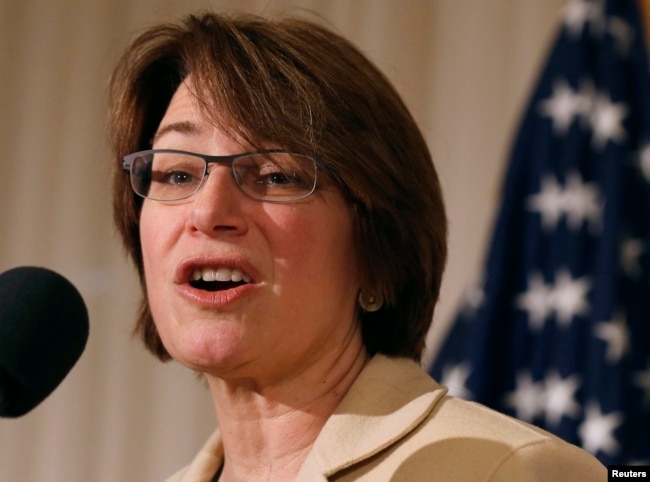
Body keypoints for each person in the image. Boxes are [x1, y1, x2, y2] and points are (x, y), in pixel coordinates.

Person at [108, 11, 606, 482]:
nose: (208, 212)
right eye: (177, 173)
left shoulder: (507, 469)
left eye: (276, 175)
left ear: (376, 248)